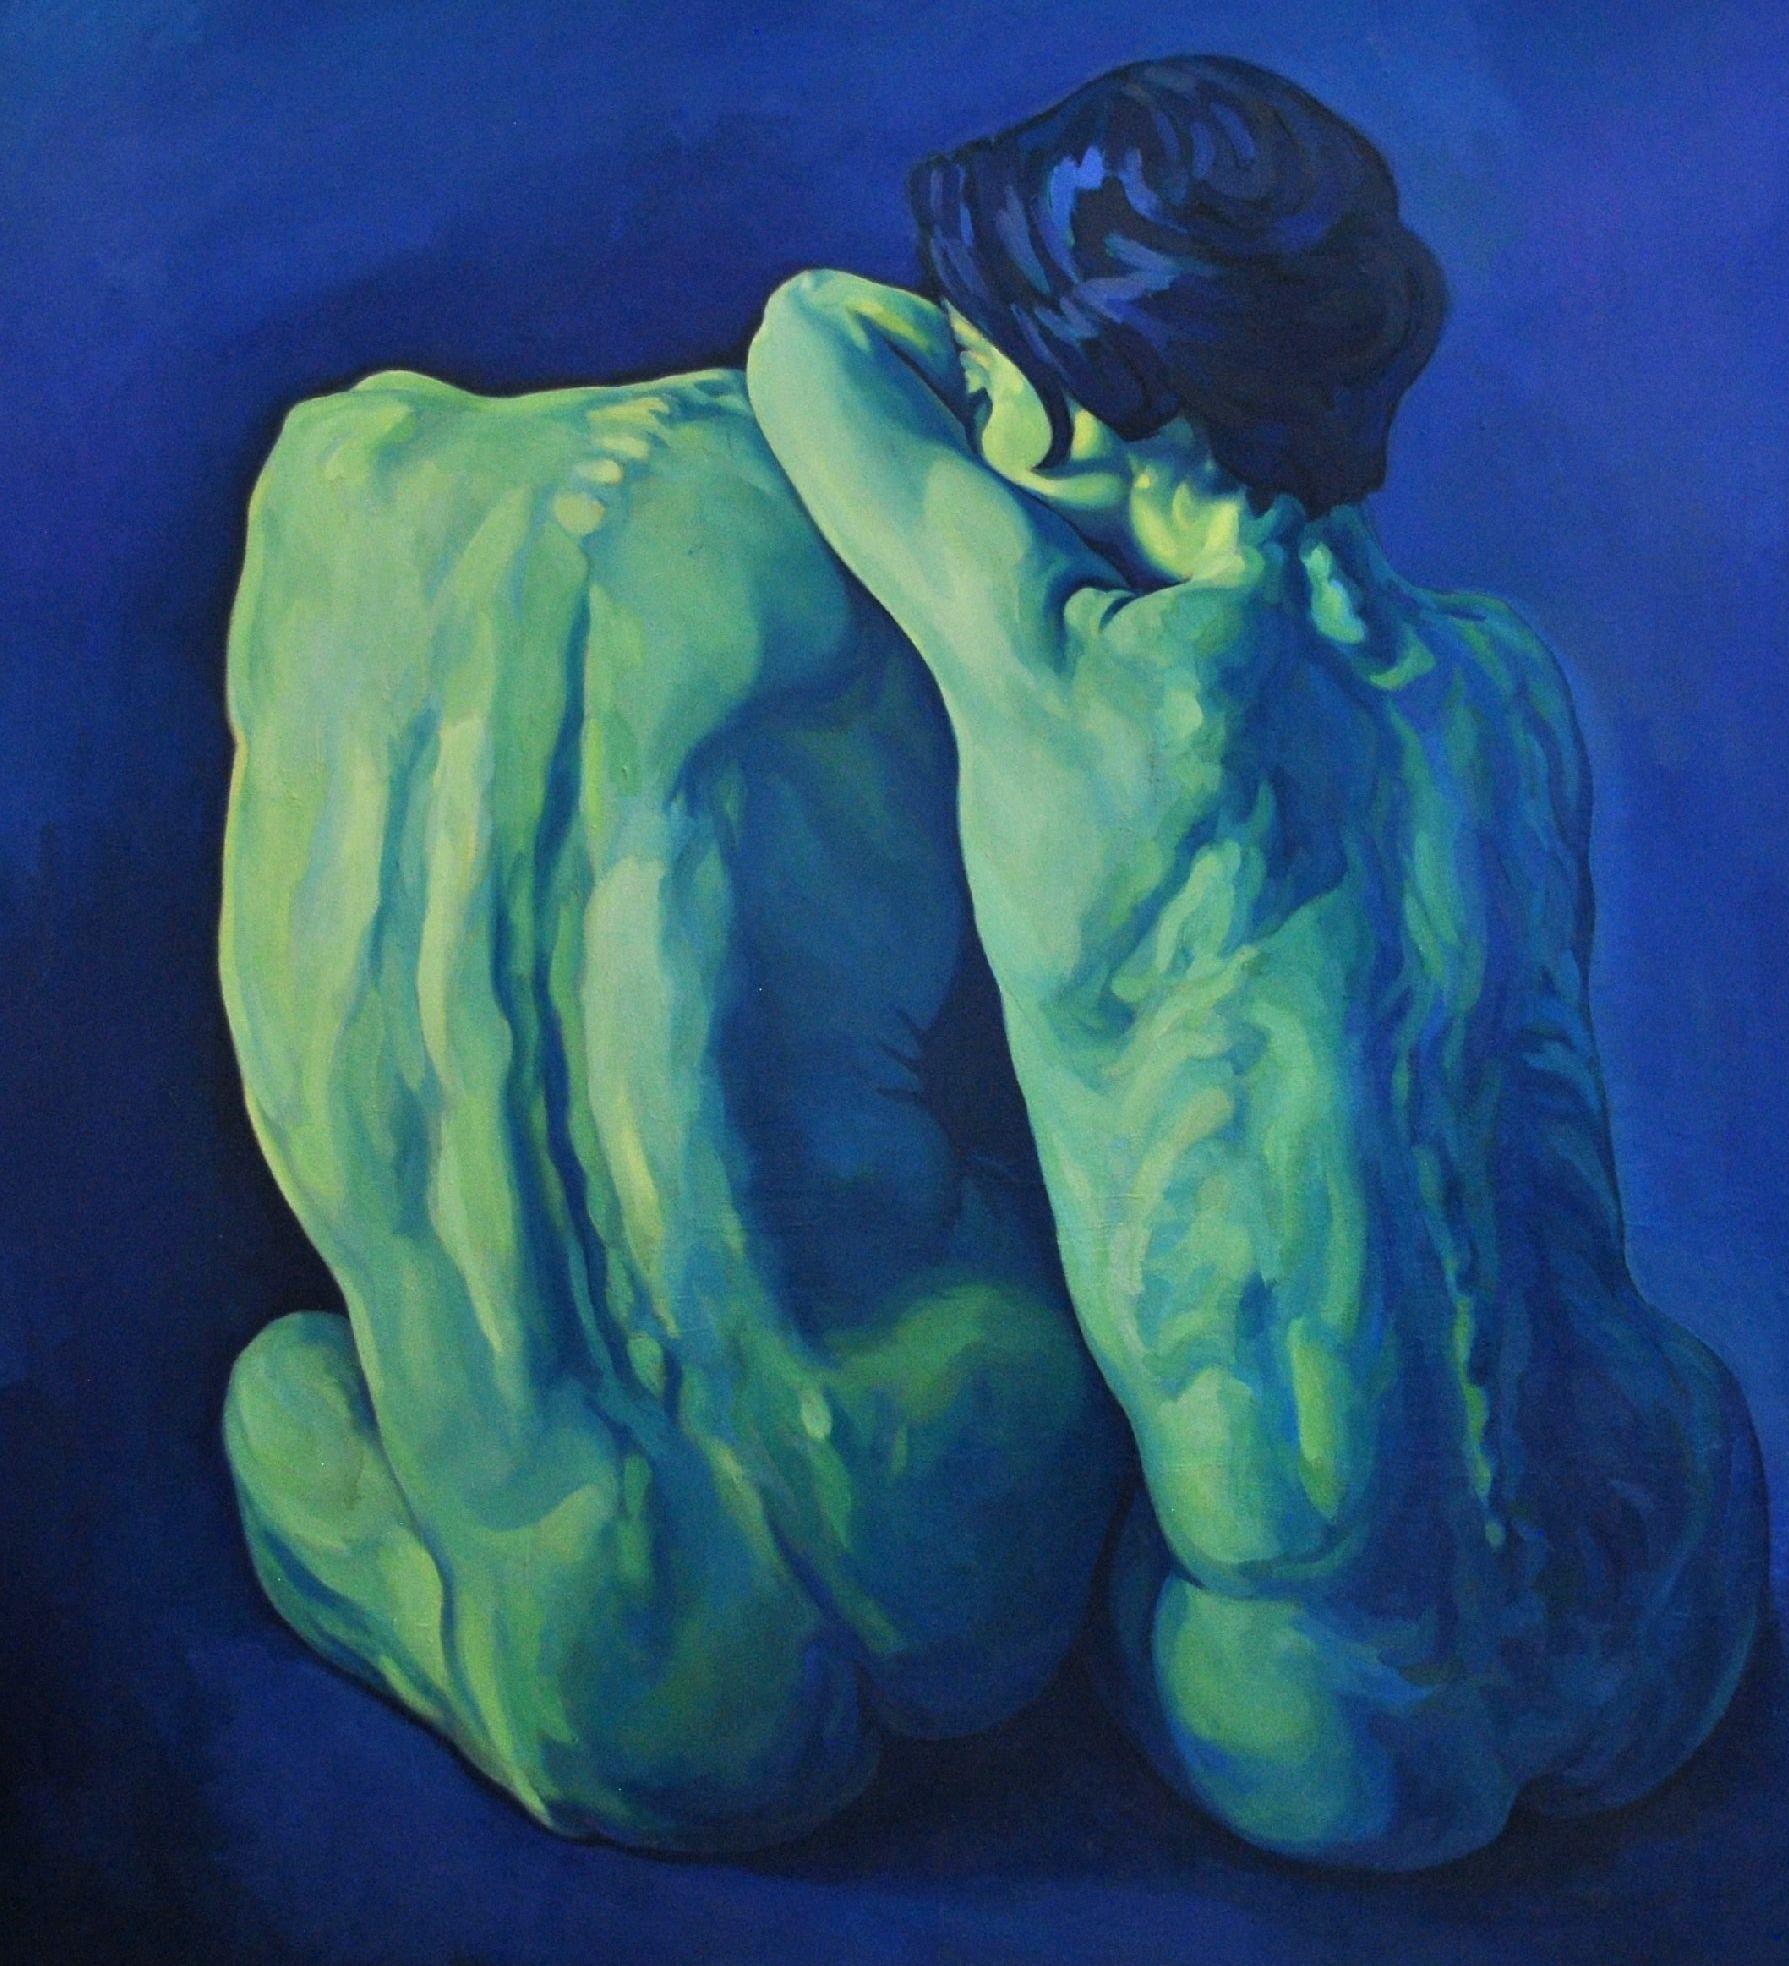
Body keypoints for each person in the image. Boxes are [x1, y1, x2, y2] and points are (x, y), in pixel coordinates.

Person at [749, 53, 1768, 1869]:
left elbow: (806, 337)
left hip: (1335, 1706)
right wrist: (1119, 345)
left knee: (1018, 1555)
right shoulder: (1503, 685)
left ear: (1075, 398)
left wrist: (1031, 365)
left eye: (988, 362)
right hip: (1675, 1586)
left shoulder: (1091, 679)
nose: (971, 387)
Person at [219, 365, 1126, 1850]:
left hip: (577, 1654)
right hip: (972, 1498)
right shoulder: (844, 499)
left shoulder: (319, 494)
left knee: (280, 1388)